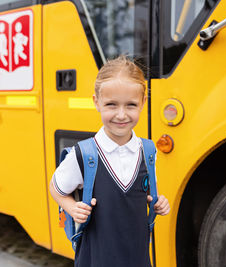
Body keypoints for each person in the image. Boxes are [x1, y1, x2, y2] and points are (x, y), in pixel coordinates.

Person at [49, 55, 170, 267]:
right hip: (96, 258)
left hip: (137, 256)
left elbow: (148, 194)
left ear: (143, 103)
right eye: (111, 104)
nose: (121, 115)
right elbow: (56, 188)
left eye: (131, 105)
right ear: (97, 102)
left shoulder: (148, 151)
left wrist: (159, 203)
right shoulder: (84, 154)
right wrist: (71, 207)